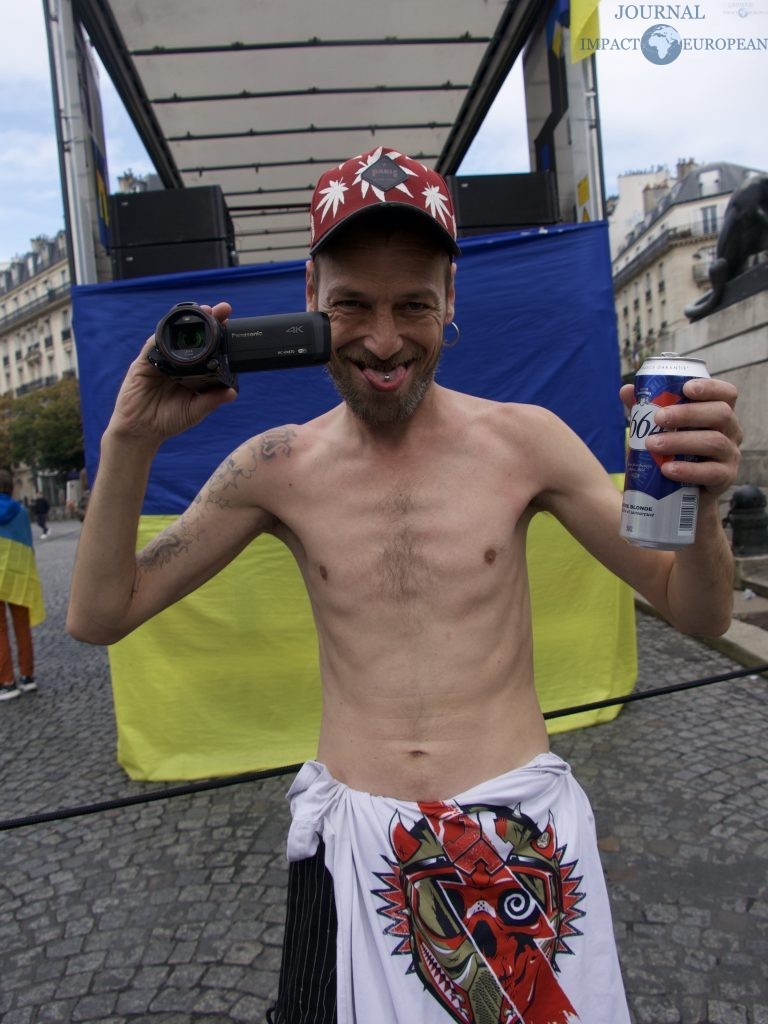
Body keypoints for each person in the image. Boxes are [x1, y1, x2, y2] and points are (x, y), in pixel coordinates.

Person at [66, 147, 742, 1023]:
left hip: (519, 846)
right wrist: (128, 441)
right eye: (353, 305)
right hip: (352, 853)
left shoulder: (526, 443)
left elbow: (697, 609)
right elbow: (98, 614)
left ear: (451, 299)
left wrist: (707, 510)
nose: (384, 342)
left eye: (413, 305)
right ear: (312, 291)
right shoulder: (276, 466)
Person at [0, 470, 44, 700]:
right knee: (22, 628)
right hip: (20, 576)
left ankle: (7, 681)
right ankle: (28, 677)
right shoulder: (22, 512)